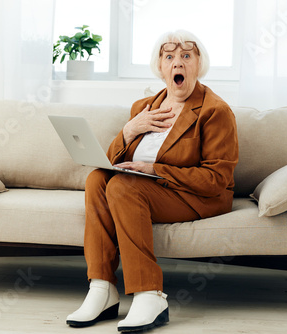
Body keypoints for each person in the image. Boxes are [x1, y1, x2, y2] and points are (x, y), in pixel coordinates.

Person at [66, 30, 239, 332]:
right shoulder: (143, 107)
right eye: (169, 56)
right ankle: (102, 287)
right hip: (143, 190)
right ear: (159, 67)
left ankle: (150, 294)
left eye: (186, 56)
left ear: (199, 64)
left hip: (195, 196)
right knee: (97, 179)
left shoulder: (215, 111)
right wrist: (129, 131)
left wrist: (156, 171)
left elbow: (216, 179)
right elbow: (110, 163)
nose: (178, 63)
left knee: (122, 186)